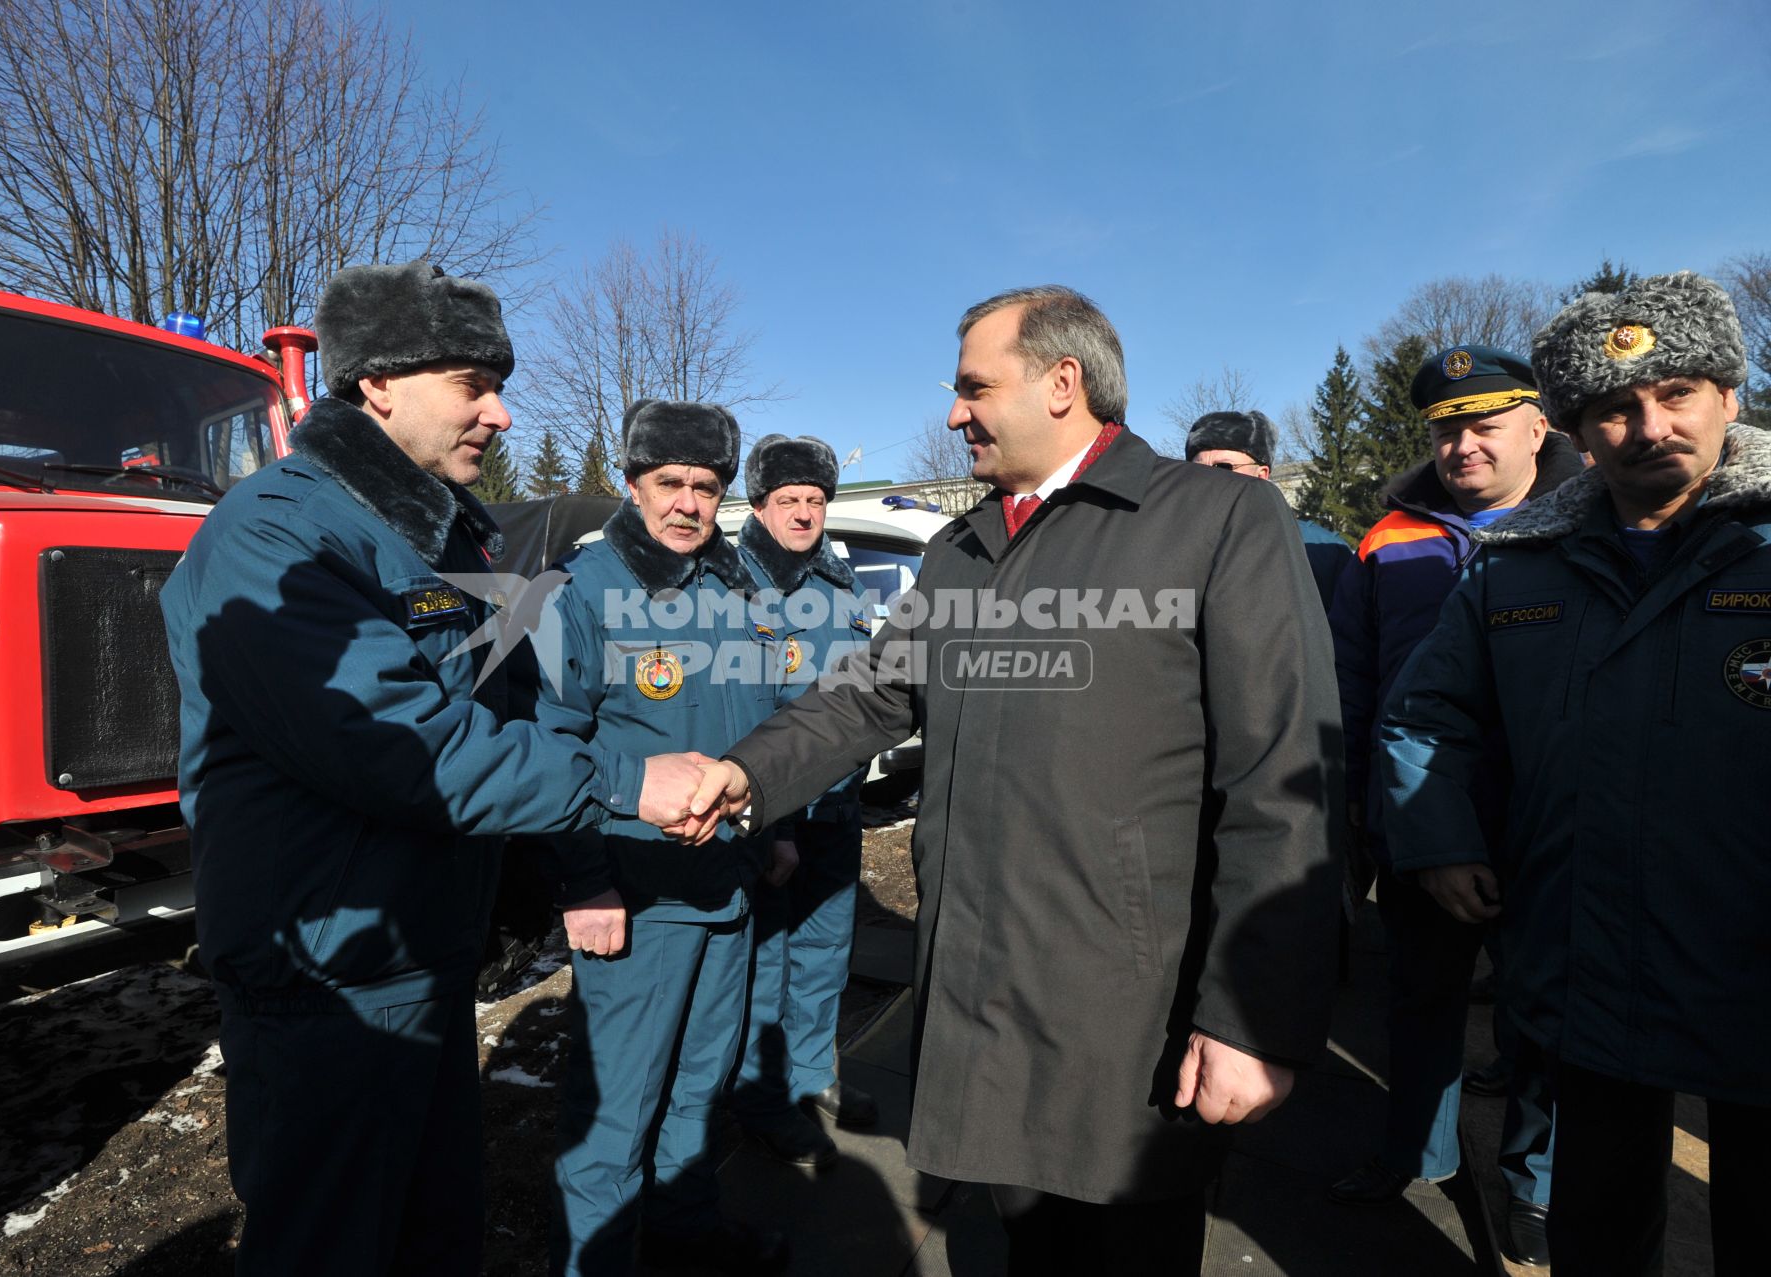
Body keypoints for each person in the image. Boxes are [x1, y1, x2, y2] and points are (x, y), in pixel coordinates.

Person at [687, 285, 1342, 1274]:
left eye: (973, 387)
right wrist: (741, 772)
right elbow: (869, 697)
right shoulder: (964, 549)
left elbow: (1284, 775)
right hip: (982, 1002)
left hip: (1128, 1018)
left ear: (1062, 382)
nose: (955, 413)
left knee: (1123, 1250)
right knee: (1027, 1249)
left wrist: (1251, 1014)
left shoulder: (1216, 519)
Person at [160, 263, 705, 1275]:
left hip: (425, 951)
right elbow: (406, 746)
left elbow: (514, 708)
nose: (500, 412)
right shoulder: (277, 534)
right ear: (377, 382)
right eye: (472, 383)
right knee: (332, 1243)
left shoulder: (448, 534)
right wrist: (631, 783)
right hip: (331, 976)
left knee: (430, 1233)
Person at [1381, 272, 1771, 1275]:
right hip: (1588, 957)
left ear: (1730, 394)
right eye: (1614, 406)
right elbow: (1429, 711)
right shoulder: (1515, 563)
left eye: (1677, 392)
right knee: (1599, 1234)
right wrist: (1442, 837)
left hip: (1753, 963)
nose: (1650, 424)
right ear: (1577, 429)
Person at [1325, 345, 1575, 1265]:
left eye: (1485, 424)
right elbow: (1351, 684)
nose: (1463, 444)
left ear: (1538, 427)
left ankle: (1534, 1188)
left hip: (1546, 825)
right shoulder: (1387, 537)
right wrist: (1352, 808)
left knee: (1545, 1019)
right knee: (1419, 1001)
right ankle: (1415, 1156)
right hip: (1418, 821)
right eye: (1446, 428)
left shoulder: (1582, 525)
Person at [531, 400, 788, 1276]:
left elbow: (763, 717)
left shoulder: (736, 584)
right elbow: (547, 748)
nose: (687, 502)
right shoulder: (580, 589)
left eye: (706, 486)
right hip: (637, 897)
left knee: (699, 1090)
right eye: (668, 482)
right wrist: (581, 881)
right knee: (619, 1112)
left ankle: (686, 1241)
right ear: (632, 483)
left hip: (729, 886)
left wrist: (771, 831)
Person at [728, 433, 877, 1168]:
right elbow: (752, 711)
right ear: (760, 505)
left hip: (836, 808)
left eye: (816, 500)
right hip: (774, 813)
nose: (805, 512)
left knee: (824, 953)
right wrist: (773, 822)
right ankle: (761, 1100)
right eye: (789, 500)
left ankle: (812, 1075)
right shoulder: (736, 583)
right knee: (768, 961)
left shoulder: (840, 586)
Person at [1185, 409, 1353, 609]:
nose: (1208, 479)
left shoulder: (1323, 550)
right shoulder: (1175, 545)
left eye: (1224, 467)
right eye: (1198, 470)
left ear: (1261, 475)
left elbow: (1347, 632)